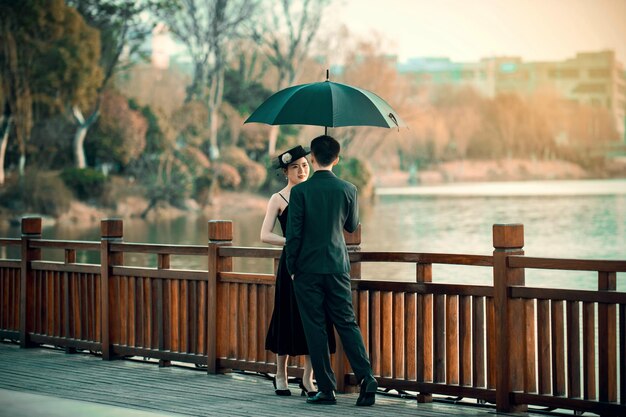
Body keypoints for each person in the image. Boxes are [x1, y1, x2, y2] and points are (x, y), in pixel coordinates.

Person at [286, 135, 378, 406]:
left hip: (306, 268)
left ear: (312, 158)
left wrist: (292, 267)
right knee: (347, 323)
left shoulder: (300, 192)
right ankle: (367, 378)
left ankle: (326, 389)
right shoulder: (349, 189)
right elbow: (351, 226)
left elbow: (294, 234)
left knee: (315, 328)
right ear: (336, 159)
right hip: (337, 265)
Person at [261, 145, 336, 397]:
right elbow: (264, 234)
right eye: (295, 167)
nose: (302, 170)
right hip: (291, 264)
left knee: (314, 318)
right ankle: (280, 373)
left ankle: (308, 377)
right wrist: (291, 240)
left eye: (305, 165)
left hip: (314, 263)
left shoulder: (313, 193)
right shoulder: (278, 198)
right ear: (286, 171)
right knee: (286, 314)